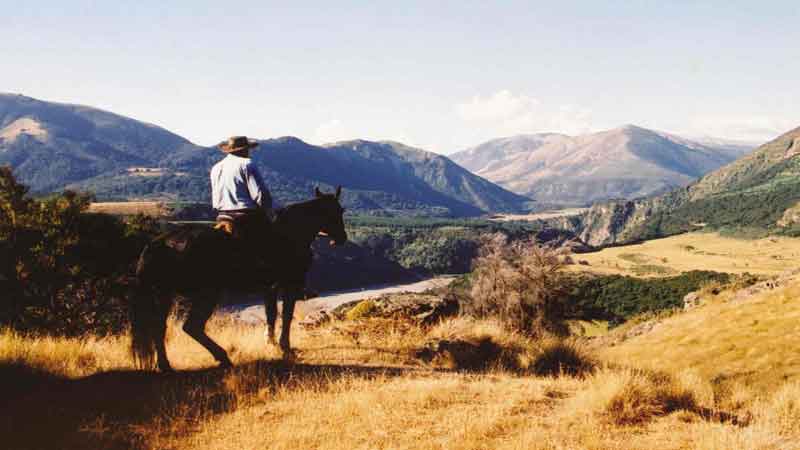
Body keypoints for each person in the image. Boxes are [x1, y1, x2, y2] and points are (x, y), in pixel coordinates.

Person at [210, 136, 275, 267]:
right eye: (248, 149)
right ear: (244, 150)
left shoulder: (216, 167)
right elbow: (260, 195)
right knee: (276, 244)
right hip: (246, 217)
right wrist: (271, 210)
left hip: (222, 215)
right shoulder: (247, 164)